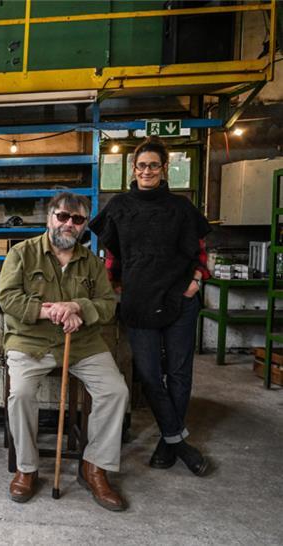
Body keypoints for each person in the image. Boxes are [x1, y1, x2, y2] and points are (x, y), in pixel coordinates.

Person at [0, 192, 129, 512]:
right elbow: (8, 298)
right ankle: (26, 468)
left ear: (84, 225)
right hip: (31, 341)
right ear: (50, 218)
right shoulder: (21, 253)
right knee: (21, 394)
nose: (69, 224)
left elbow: (107, 305)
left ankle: (94, 467)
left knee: (116, 391)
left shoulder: (93, 263)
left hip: (82, 343)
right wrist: (51, 311)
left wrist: (76, 306)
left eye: (77, 219)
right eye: (62, 216)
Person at [89, 137, 211, 476]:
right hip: (139, 301)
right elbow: (112, 255)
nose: (146, 171)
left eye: (153, 165)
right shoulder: (120, 206)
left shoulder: (181, 208)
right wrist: (109, 284)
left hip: (180, 299)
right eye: (141, 165)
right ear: (133, 168)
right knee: (148, 373)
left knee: (179, 372)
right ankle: (179, 442)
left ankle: (166, 441)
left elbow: (200, 250)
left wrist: (196, 282)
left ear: (164, 168)